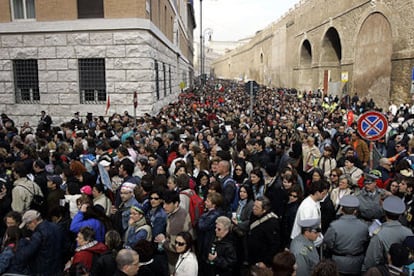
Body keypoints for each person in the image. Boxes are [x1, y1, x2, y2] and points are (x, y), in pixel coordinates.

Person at [363, 196, 413, 271]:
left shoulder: (379, 234)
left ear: (384, 212)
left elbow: (370, 261)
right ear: (400, 215)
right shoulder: (409, 232)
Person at [324, 195, 369, 275]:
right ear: (355, 211)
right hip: (357, 263)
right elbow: (365, 242)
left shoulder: (334, 226)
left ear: (342, 210)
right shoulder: (364, 226)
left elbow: (328, 242)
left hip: (338, 262)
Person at [154, 190, 192, 273]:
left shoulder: (176, 222)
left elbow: (176, 247)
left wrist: (163, 241)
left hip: (176, 261)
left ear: (176, 203)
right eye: (163, 203)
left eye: (167, 204)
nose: (164, 206)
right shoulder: (181, 211)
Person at [16, 210, 63, 275]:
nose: (28, 228)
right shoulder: (56, 227)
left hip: (41, 271)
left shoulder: (38, 234)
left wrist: (23, 241)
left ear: (34, 221)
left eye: (27, 225)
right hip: (57, 269)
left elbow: (23, 255)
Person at [247, 196, 281, 268]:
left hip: (262, 260)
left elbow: (275, 245)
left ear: (264, 210)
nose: (253, 208)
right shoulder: (253, 214)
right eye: (254, 205)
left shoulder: (272, 223)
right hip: (252, 257)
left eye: (257, 207)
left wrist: (266, 262)